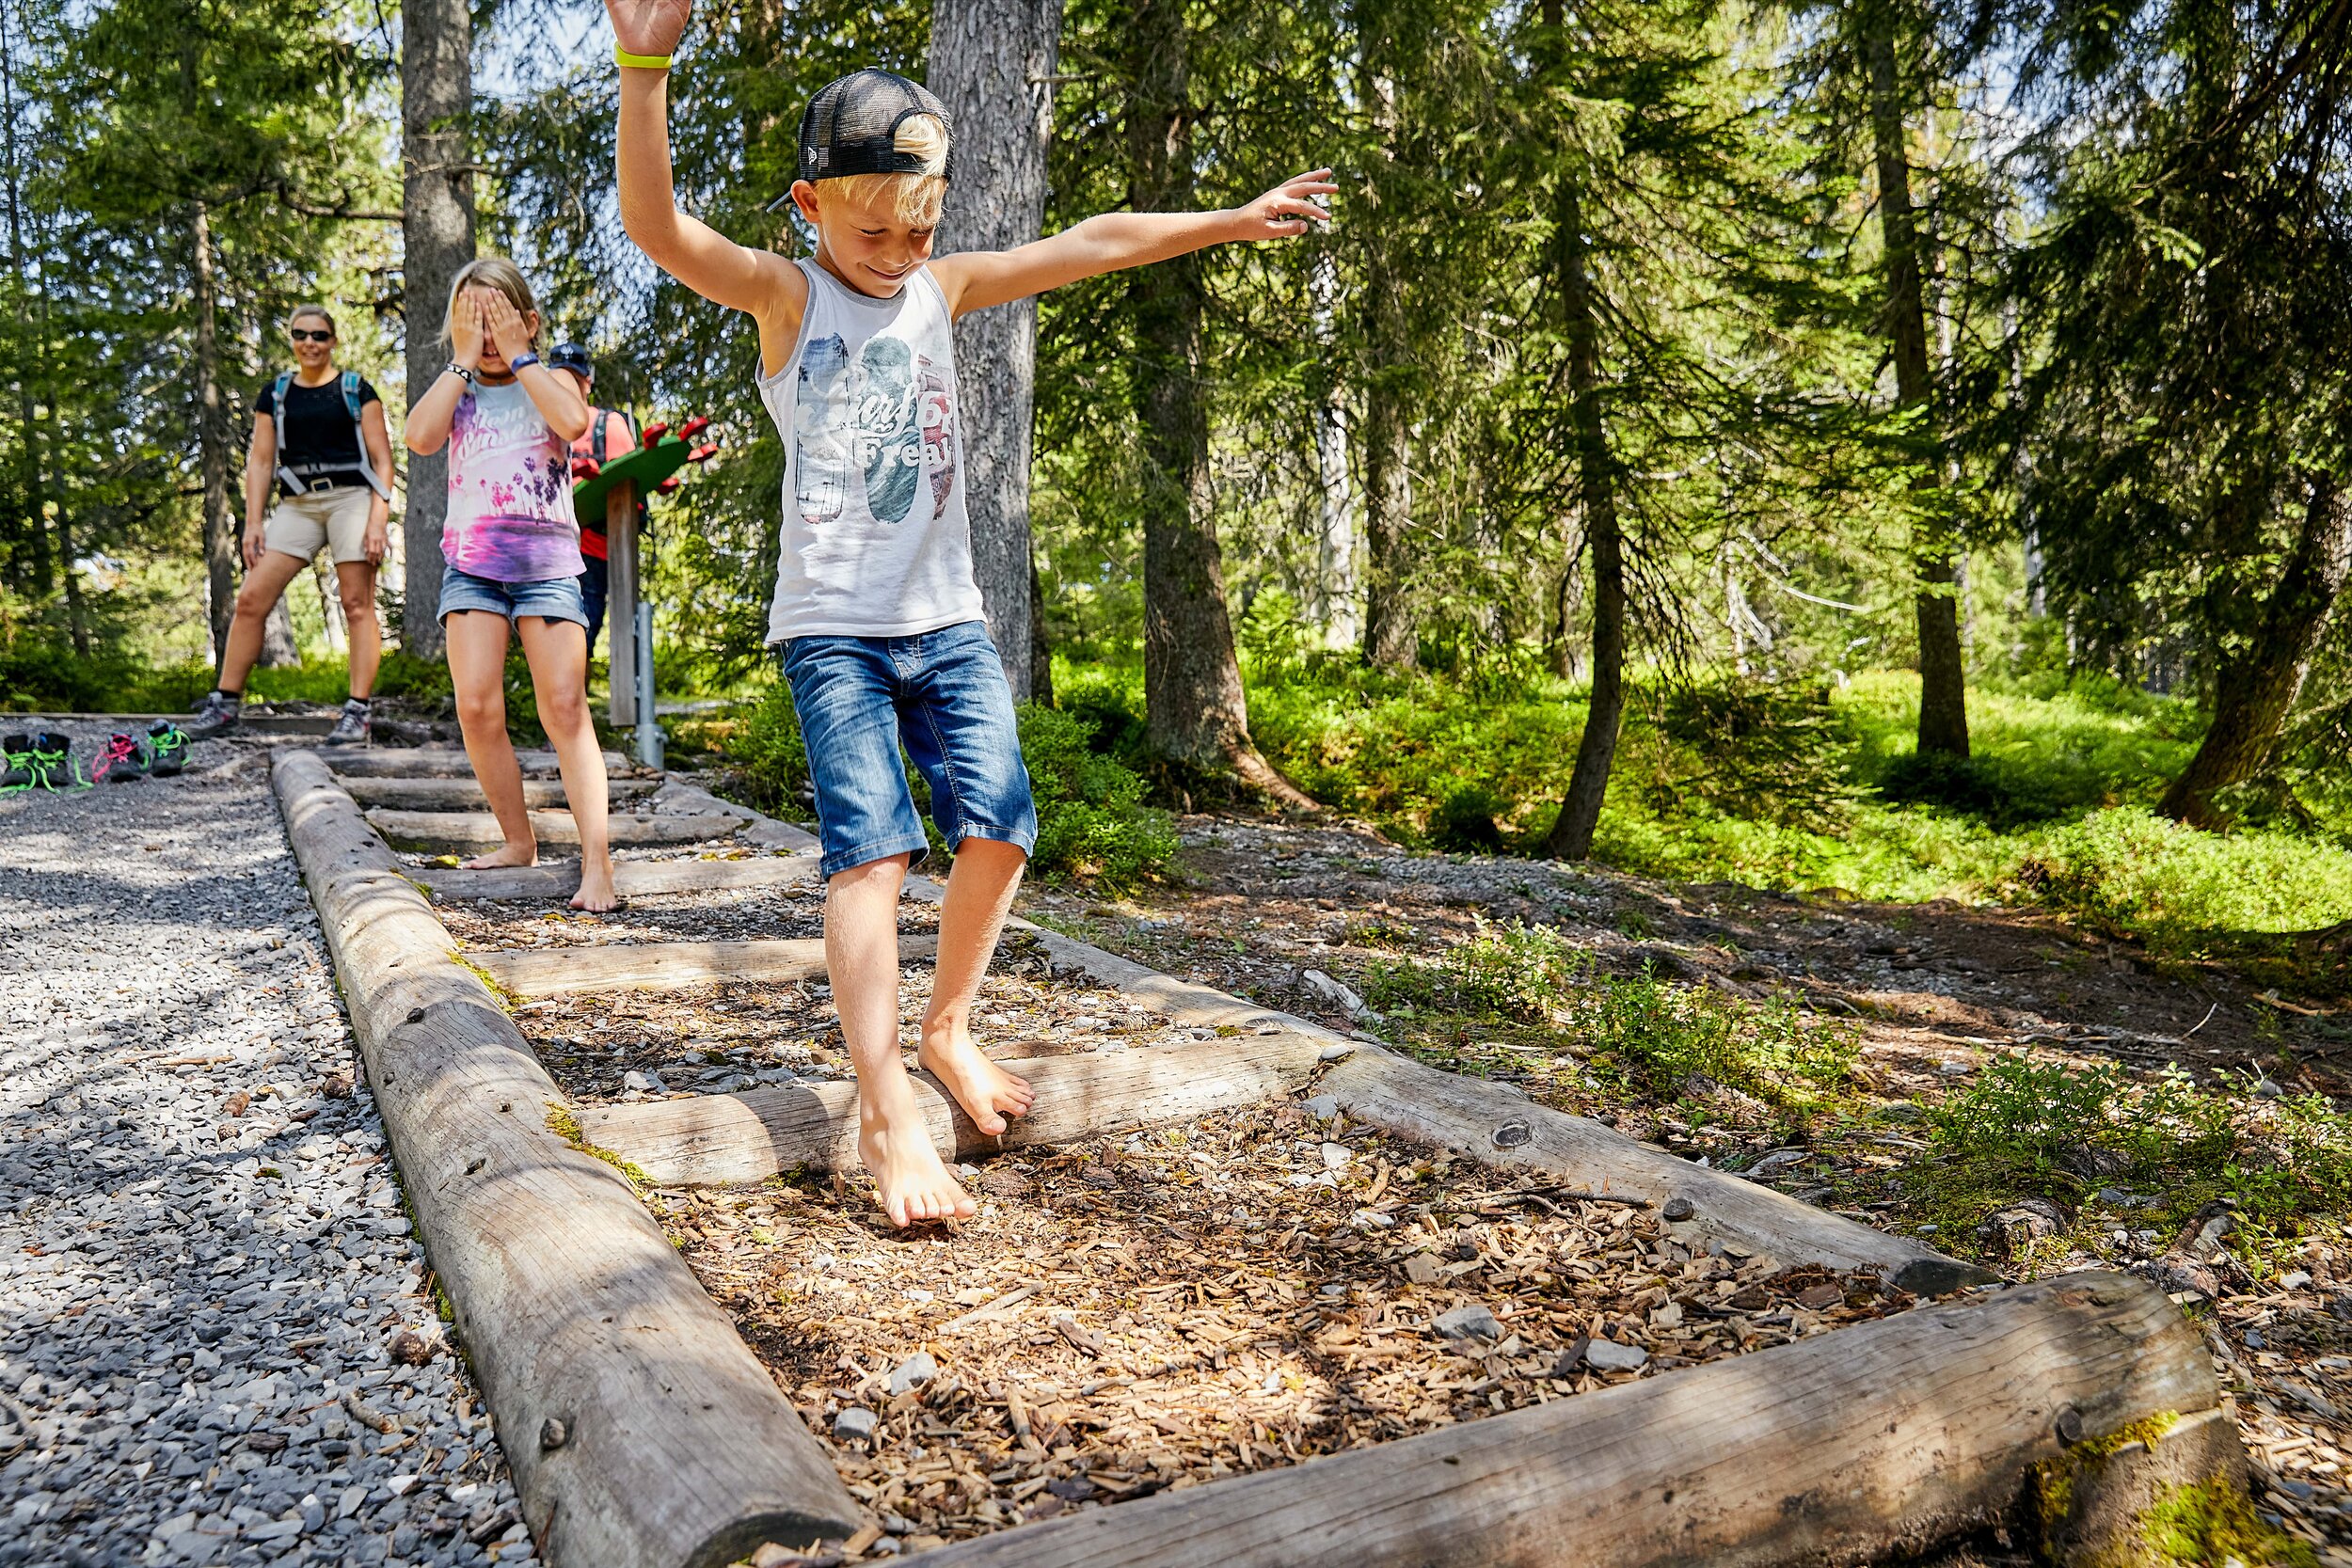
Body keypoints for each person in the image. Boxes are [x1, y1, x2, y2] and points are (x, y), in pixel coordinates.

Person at [604, 16, 1335, 1226]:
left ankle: (947, 1026)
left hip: (945, 619)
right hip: (833, 626)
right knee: (874, 848)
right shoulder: (787, 298)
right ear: (808, 204)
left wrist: (1227, 219)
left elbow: (1089, 243)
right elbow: (657, 227)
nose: (899, 250)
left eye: (922, 223)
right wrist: (645, 74)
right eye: (872, 226)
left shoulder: (942, 287)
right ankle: (884, 1099)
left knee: (999, 822)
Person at [403, 258, 618, 913]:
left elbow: (574, 423)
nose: (487, 333)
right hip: (474, 566)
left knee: (565, 707)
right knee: (477, 706)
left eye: (497, 317)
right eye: (473, 319)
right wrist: (462, 360)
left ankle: (598, 865)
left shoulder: (548, 379)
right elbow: (418, 437)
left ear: (527, 320)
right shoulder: (458, 390)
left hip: (548, 567)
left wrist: (523, 355)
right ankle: (518, 839)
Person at [188, 306, 396, 745]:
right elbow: (261, 460)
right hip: (297, 505)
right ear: (292, 340)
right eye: (301, 334)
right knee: (251, 598)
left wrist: (379, 519)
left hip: (351, 499)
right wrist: (252, 523)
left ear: (333, 340)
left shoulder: (356, 389)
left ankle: (357, 711)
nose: (310, 343)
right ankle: (225, 704)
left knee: (357, 604)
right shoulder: (277, 394)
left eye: (319, 335)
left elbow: (383, 459)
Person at [547, 341, 642, 656]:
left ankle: (578, 700)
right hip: (547, 550)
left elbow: (630, 485)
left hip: (596, 551)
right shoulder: (538, 425)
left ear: (588, 380)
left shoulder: (608, 424)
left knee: (583, 633)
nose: (569, 384)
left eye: (574, 377)